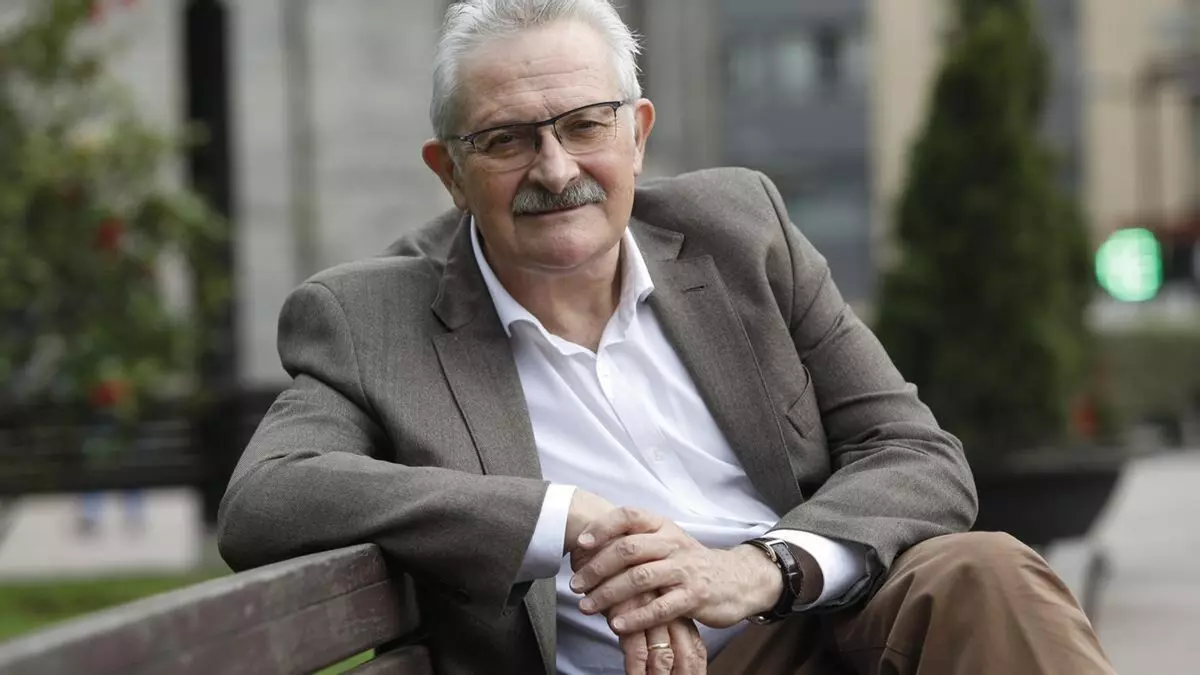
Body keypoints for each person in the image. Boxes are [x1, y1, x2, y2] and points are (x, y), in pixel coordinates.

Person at [217, 1, 1116, 673]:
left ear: (637, 134)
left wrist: (759, 570)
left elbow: (914, 452)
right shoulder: (373, 317)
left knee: (985, 573)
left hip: (810, 625)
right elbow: (267, 497)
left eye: (584, 125)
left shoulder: (739, 232)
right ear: (449, 172)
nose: (556, 169)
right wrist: (565, 519)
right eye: (507, 141)